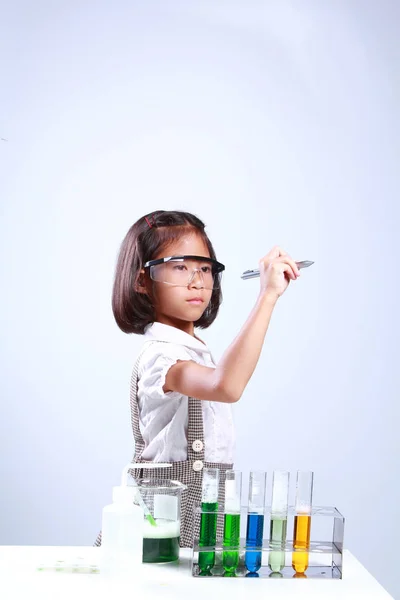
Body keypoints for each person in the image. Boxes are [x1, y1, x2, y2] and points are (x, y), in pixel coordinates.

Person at [95, 209, 300, 548]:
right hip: (164, 521)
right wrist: (267, 297)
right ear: (141, 281)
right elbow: (226, 385)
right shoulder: (161, 356)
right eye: (179, 266)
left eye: (205, 268)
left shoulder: (193, 351)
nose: (197, 281)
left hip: (209, 509)